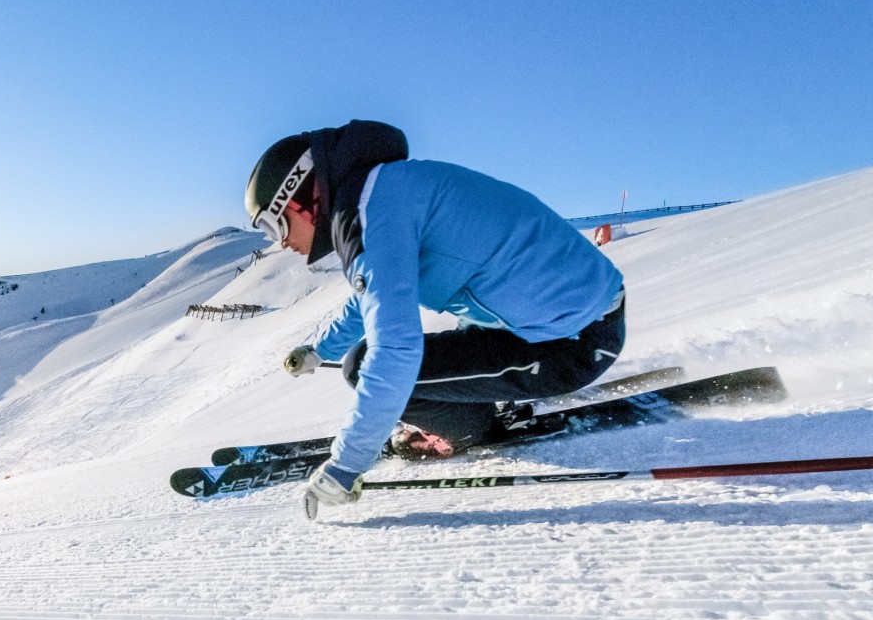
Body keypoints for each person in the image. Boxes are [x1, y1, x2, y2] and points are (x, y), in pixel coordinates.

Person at [244, 120, 626, 512]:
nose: (282, 243)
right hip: (575, 315)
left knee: (361, 368)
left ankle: (472, 428)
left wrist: (347, 464)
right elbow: (374, 294)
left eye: (273, 227)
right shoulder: (382, 191)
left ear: (297, 198)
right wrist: (319, 348)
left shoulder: (365, 214)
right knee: (391, 356)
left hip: (572, 342)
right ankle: (491, 396)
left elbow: (396, 351)